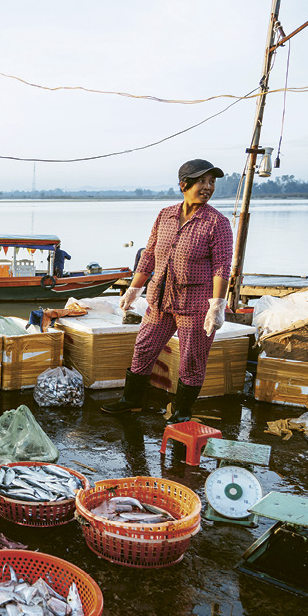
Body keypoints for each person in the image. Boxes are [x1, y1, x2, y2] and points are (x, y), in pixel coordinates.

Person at [102, 159, 233, 423]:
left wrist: (217, 305)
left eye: (212, 183)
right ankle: (132, 401)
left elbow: (222, 266)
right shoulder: (165, 215)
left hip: (195, 305)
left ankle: (182, 413)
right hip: (160, 301)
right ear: (184, 185)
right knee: (144, 347)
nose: (208, 187)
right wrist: (133, 288)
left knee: (192, 360)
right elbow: (149, 254)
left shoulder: (217, 223)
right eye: (201, 182)